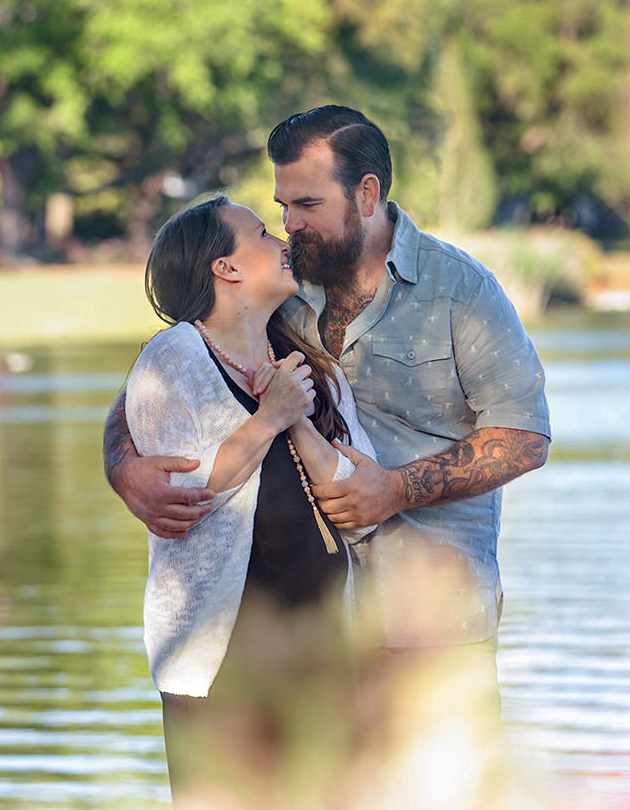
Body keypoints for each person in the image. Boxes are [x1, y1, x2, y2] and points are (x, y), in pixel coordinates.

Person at [106, 105, 550, 704]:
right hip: (314, 636)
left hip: (431, 625)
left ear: (366, 194)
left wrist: (396, 489)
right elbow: (158, 388)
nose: (289, 224)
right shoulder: (280, 286)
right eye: (281, 206)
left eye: (307, 206)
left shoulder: (462, 292)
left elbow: (525, 437)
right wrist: (125, 469)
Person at [126, 195, 376, 806]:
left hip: (321, 642)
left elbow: (360, 486)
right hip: (221, 657)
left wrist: (296, 419)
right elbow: (190, 493)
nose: (282, 240)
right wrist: (268, 419)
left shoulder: (310, 365)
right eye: (262, 234)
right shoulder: (175, 357)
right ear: (226, 268)